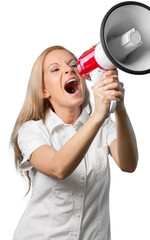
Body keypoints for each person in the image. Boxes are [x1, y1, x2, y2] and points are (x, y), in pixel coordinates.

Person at [10, 45, 138, 240]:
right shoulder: (31, 130)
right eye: (55, 69)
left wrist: (120, 109)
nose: (69, 70)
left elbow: (128, 164)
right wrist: (97, 115)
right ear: (44, 90)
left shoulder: (104, 126)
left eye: (73, 65)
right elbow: (58, 167)